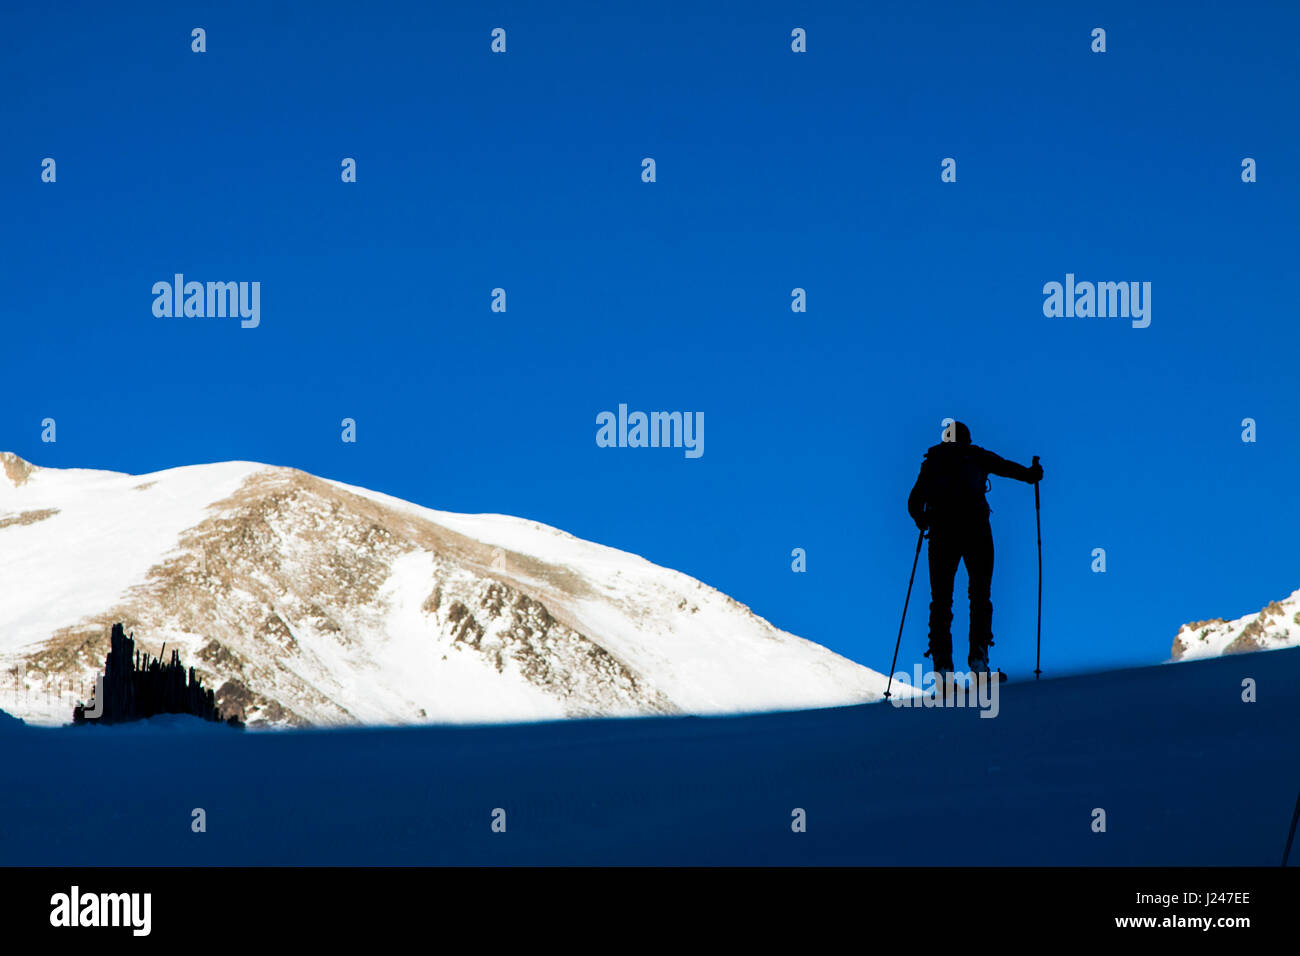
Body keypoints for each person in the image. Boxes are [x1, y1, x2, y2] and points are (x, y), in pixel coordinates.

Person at [906, 421, 1042, 674]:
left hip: (941, 533)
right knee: (979, 594)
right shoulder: (976, 455)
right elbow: (1009, 469)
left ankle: (942, 665)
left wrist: (922, 520)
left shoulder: (933, 461)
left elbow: (914, 501)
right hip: (975, 529)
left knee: (941, 600)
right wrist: (1031, 474)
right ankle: (978, 659)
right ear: (967, 438)